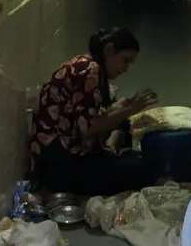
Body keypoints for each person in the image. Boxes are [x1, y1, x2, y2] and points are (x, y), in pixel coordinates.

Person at [30, 27, 158, 196]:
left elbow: (88, 114)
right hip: (60, 164)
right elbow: (89, 127)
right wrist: (130, 109)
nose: (126, 68)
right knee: (141, 170)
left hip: (62, 157)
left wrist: (122, 107)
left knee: (130, 148)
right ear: (109, 50)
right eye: (125, 60)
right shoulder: (90, 70)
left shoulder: (87, 65)